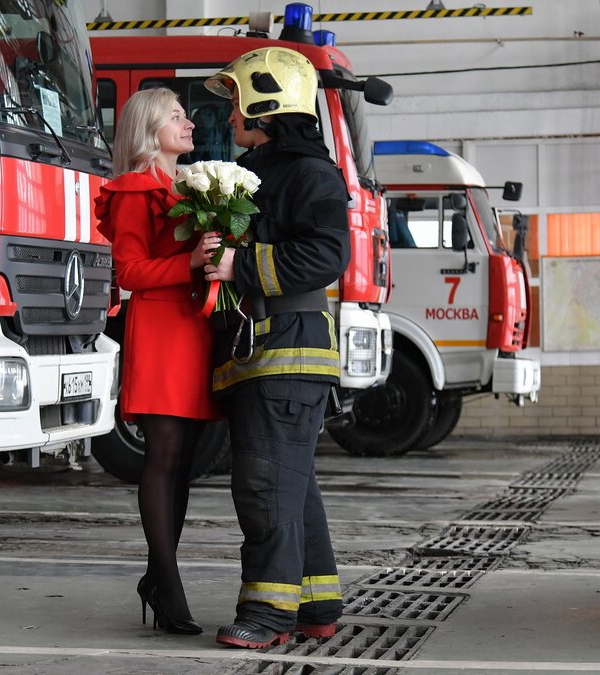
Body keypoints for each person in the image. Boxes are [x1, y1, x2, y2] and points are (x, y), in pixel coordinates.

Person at [200, 47, 350, 649]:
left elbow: (326, 255)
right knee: (292, 486)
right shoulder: (275, 170)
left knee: (265, 487)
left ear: (266, 103)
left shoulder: (309, 174)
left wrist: (239, 262)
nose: (229, 115)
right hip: (269, 352)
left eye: (236, 102)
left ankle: (267, 617)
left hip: (286, 354)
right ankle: (315, 605)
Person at [92, 87, 221, 635]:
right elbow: (129, 273)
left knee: (184, 460)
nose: (188, 123)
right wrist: (191, 262)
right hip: (162, 328)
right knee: (164, 456)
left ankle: (157, 576)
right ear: (148, 129)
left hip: (193, 328)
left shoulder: (184, 187)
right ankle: (168, 586)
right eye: (176, 116)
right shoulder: (134, 191)